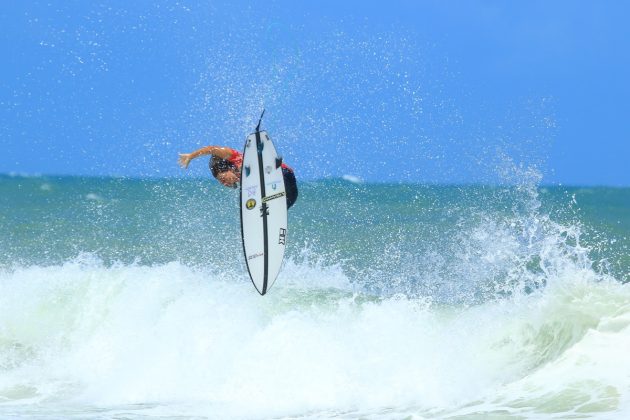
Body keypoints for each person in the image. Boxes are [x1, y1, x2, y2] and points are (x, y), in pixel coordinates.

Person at [178, 145, 298, 208]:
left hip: (282, 174)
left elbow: (211, 149)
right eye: (224, 184)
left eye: (223, 179)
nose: (226, 183)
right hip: (287, 194)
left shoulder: (232, 157)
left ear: (225, 168)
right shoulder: (243, 181)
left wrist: (191, 156)